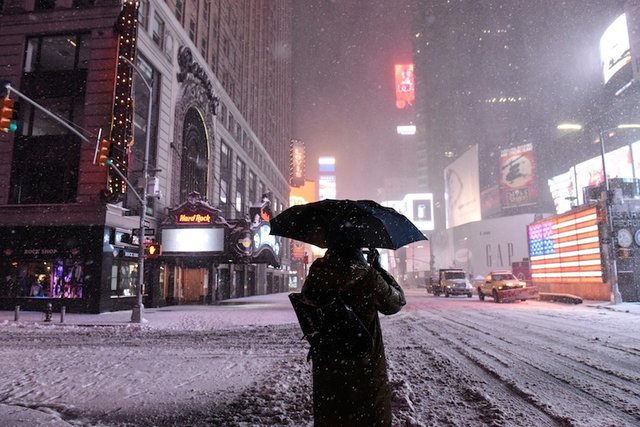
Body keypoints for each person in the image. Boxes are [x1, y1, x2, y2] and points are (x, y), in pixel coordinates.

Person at [301, 244, 406, 427]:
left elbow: (308, 299)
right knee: (369, 415)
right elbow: (396, 303)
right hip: (365, 365)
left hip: (329, 363)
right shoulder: (369, 277)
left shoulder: (317, 274)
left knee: (331, 415)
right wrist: (378, 269)